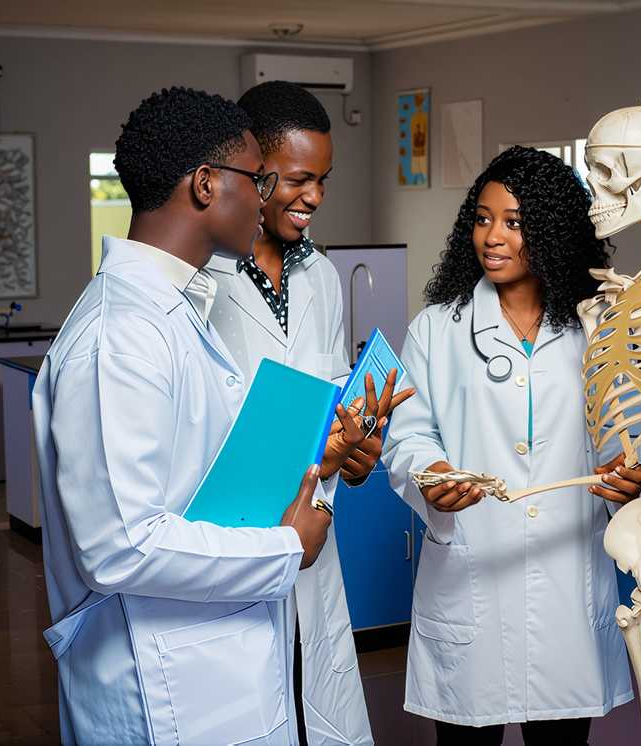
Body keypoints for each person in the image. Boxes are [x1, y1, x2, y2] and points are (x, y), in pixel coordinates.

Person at [33, 87, 351, 745]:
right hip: (160, 691)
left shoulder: (174, 314)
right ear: (207, 185)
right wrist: (286, 544)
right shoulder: (119, 335)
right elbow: (121, 544)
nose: (264, 198)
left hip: (215, 671)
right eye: (255, 179)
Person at [381, 146, 641, 746]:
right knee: (466, 738)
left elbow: (630, 437)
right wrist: (432, 472)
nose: (492, 237)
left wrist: (630, 479)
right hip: (473, 572)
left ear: (551, 229)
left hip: (566, 579)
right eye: (482, 218)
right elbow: (409, 435)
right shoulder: (437, 328)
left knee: (560, 738)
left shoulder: (599, 327)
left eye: (513, 222)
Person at [207, 80, 410, 746]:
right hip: (232, 540)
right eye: (298, 178)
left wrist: (355, 452)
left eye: (323, 180)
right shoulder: (202, 276)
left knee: (311, 698)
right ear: (249, 170)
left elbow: (330, 403)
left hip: (313, 533)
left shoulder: (320, 276)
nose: (315, 197)